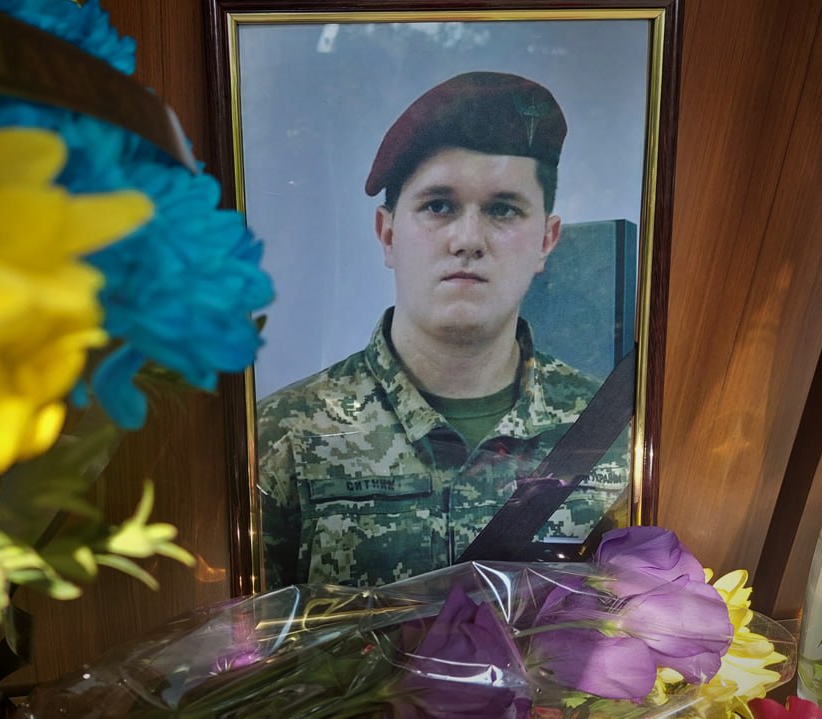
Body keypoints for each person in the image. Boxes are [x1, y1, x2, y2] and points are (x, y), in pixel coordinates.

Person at [257, 71, 630, 590]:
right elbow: (241, 633)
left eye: (503, 209)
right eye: (438, 206)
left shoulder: (619, 439)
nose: (468, 240)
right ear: (388, 234)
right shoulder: (284, 437)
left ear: (546, 241)